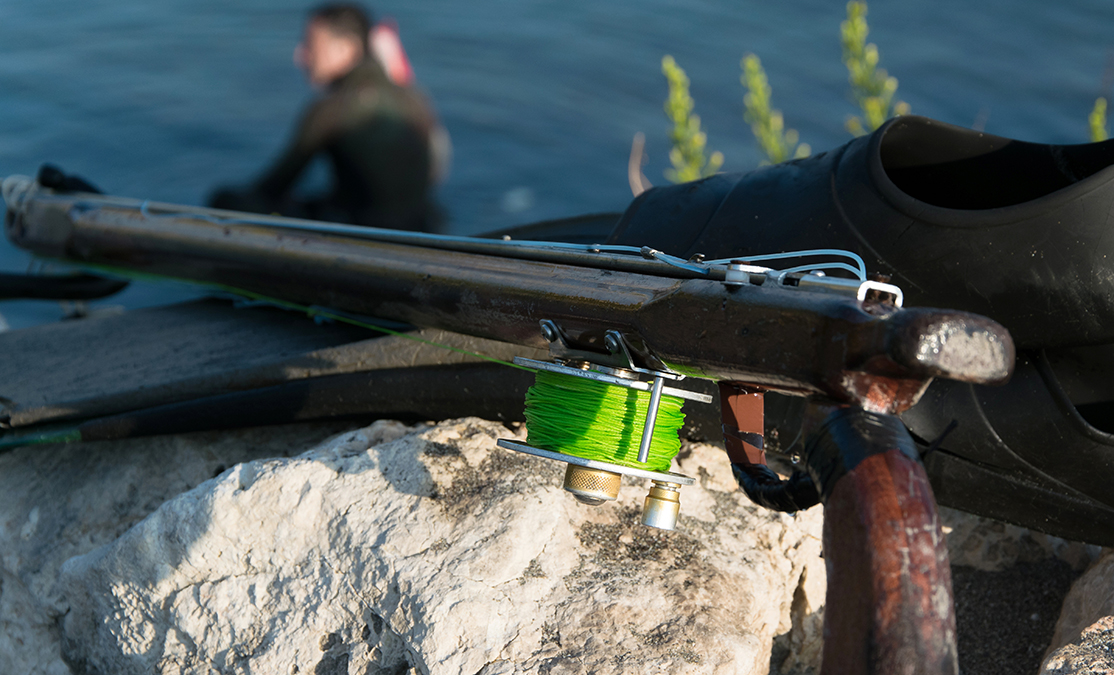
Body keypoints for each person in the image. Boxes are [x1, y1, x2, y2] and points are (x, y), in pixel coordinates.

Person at [209, 4, 441, 231]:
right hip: (422, 226)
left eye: (311, 45)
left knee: (226, 200)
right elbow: (433, 169)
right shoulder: (415, 97)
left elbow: (273, 188)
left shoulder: (333, 109)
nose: (299, 56)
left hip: (366, 236)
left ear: (345, 49)